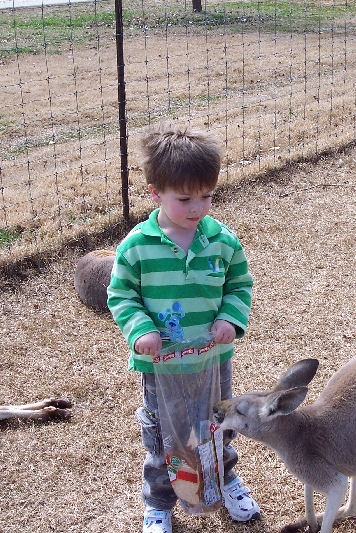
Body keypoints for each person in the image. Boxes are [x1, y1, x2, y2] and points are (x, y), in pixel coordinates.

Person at [107, 123, 260, 533]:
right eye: (185, 199)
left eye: (206, 196)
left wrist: (229, 318)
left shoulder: (222, 241)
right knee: (164, 436)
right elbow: (121, 294)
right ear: (155, 193)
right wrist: (140, 329)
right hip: (163, 366)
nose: (197, 208)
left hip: (212, 359)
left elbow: (239, 284)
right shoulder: (137, 246)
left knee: (217, 425)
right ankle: (160, 502)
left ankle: (224, 480)